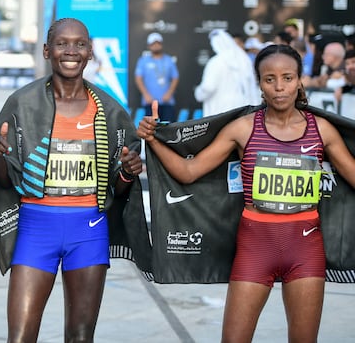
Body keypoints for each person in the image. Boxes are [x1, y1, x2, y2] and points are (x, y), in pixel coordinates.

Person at [138, 43, 355, 343]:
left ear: (300, 80)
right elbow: (189, 173)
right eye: (270, 79)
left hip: (305, 250)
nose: (279, 87)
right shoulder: (243, 129)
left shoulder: (322, 130)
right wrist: (154, 139)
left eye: (288, 78)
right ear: (260, 84)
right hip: (255, 248)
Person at [0, 17, 144, 342]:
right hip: (35, 229)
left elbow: (119, 188)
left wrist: (126, 171)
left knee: (80, 337)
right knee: (21, 336)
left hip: (88, 231)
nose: (71, 51)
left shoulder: (109, 110)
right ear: (46, 50)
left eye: (80, 44)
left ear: (90, 52)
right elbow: (6, 181)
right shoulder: (22, 103)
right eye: (62, 43)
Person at [193, 29, 260, 117]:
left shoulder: (216, 62)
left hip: (219, 110)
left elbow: (208, 87)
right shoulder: (244, 60)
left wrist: (198, 93)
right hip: (241, 109)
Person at [134, 31, 179, 122]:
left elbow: (175, 77)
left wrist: (169, 93)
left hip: (167, 102)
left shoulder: (169, 60)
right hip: (150, 102)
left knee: (168, 130)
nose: (156, 46)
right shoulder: (143, 61)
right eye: (153, 44)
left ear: (161, 44)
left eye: (158, 43)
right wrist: (146, 94)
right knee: (151, 129)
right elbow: (138, 78)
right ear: (149, 46)